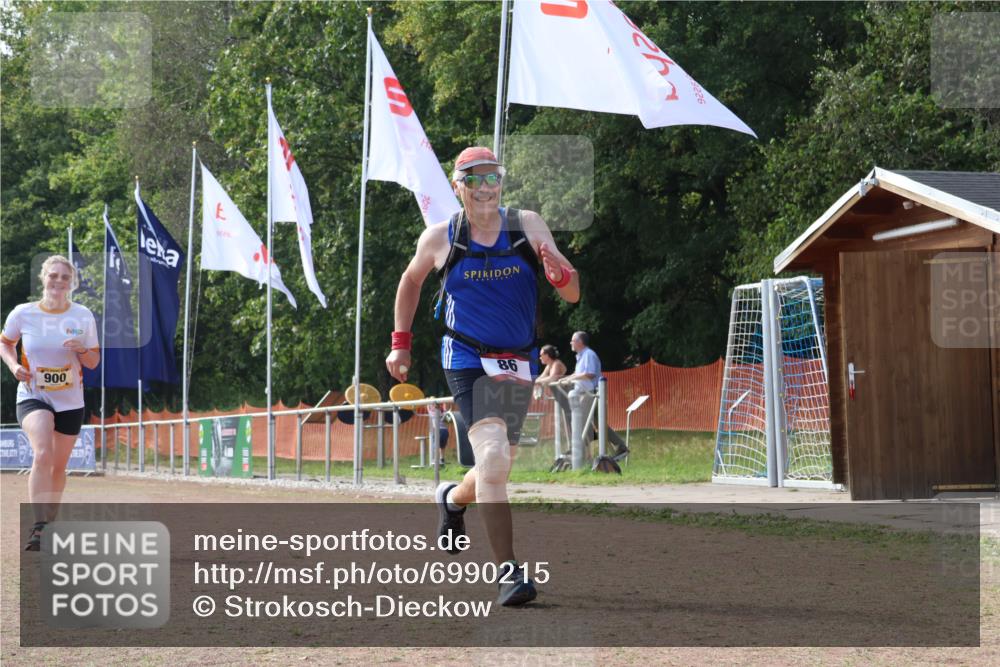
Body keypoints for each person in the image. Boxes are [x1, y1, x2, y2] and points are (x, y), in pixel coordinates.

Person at [386, 146, 579, 606]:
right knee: (493, 457)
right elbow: (411, 281)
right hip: (467, 358)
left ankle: (453, 499)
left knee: (497, 463)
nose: (485, 187)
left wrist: (559, 275)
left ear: (502, 182)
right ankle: (508, 572)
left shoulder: (527, 226)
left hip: (518, 360)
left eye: (493, 177)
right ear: (458, 187)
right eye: (473, 179)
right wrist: (400, 342)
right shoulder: (442, 237)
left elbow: (573, 293)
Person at [1, 255, 100, 551]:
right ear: (43, 278)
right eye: (53, 275)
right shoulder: (23, 313)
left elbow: (93, 362)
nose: (58, 281)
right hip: (33, 395)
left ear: (72, 283)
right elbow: (5, 343)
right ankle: (39, 524)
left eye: (65, 277)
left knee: (58, 467)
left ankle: (49, 524)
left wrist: (82, 350)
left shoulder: (82, 316)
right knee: (43, 452)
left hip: (70, 401)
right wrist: (14, 366)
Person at [557, 331, 629, 458]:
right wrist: (566, 379)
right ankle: (620, 447)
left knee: (579, 421)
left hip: (590, 393)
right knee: (599, 423)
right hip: (588, 393)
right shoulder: (581, 356)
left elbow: (590, 374)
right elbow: (577, 373)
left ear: (580, 342)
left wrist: (570, 379)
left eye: (572, 340)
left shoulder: (589, 355)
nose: (570, 343)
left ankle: (578, 452)